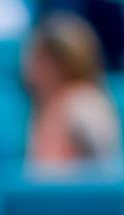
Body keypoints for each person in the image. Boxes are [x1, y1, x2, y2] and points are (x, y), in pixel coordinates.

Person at [24, 11, 122, 173]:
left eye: (41, 60)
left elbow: (102, 168)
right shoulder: (47, 104)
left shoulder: (83, 101)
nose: (31, 70)